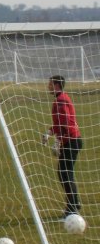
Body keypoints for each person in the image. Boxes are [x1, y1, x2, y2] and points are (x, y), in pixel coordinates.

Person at [45, 75, 82, 218]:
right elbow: (59, 124)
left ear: (56, 85)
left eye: (49, 84)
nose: (48, 86)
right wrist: (49, 133)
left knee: (65, 173)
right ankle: (74, 203)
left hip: (71, 140)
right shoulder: (61, 99)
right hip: (72, 140)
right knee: (65, 173)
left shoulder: (61, 100)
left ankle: (72, 208)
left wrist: (58, 142)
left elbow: (65, 123)